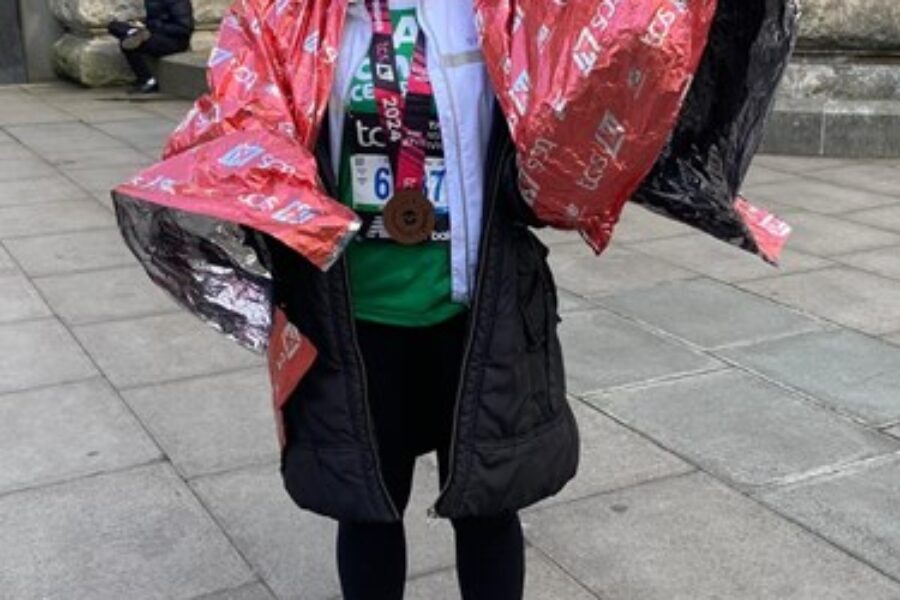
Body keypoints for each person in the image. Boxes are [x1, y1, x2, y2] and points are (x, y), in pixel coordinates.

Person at [261, 2, 580, 599]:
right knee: (369, 506)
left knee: (488, 501)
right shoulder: (300, 18)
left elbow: (539, 159)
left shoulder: (494, 13)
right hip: (353, 316)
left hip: (476, 310)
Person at [107, 0, 194, 93]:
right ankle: (133, 32)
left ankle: (148, 81)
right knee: (114, 26)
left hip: (173, 41)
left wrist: (154, 26)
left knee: (129, 44)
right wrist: (141, 24)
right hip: (151, 33)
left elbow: (184, 29)